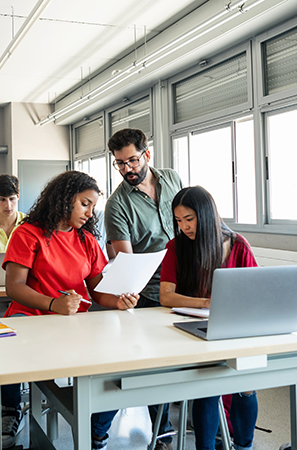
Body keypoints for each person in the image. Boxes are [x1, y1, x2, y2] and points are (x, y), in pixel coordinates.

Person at [1, 170, 139, 449]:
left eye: (93, 206)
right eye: (85, 203)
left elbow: (99, 290)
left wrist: (120, 301)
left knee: (118, 365)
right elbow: (14, 287)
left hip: (73, 323)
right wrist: (53, 303)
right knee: (11, 351)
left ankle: (96, 431)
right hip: (31, 316)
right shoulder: (28, 233)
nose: (89, 213)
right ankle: (10, 409)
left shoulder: (86, 240)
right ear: (65, 199)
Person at [159, 186, 259, 450]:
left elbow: (256, 291)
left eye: (189, 220)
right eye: (179, 221)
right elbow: (166, 296)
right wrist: (204, 302)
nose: (184, 227)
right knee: (207, 385)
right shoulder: (177, 247)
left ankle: (244, 446)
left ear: (206, 215)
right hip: (193, 329)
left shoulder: (238, 245)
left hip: (235, 328)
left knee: (247, 384)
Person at [103, 128, 183, 450]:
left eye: (132, 161)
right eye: (119, 164)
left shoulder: (173, 179)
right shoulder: (116, 205)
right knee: (154, 369)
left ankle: (209, 427)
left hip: (186, 286)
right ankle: (163, 434)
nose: (127, 169)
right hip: (150, 293)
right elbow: (126, 263)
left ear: (146, 155)